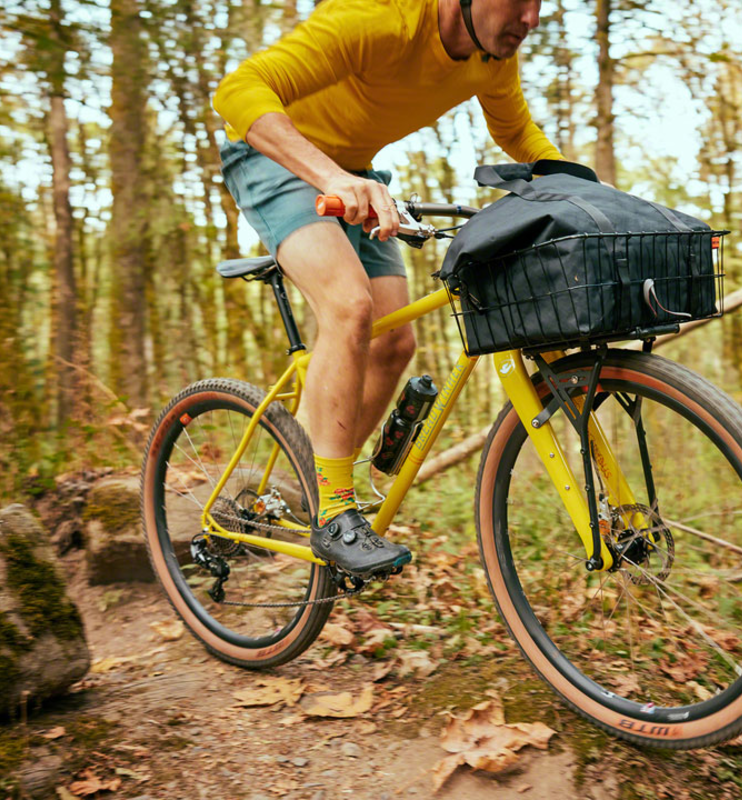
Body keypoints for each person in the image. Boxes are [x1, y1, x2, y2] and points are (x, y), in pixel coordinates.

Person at [212, 0, 563, 577]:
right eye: (518, 0)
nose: (530, 18)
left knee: (394, 344)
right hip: (274, 158)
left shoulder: (491, 53)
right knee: (350, 309)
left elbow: (518, 132)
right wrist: (329, 176)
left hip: (356, 172)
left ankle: (299, 484)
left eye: (539, 4)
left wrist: (584, 189)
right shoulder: (380, 18)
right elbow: (238, 90)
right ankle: (334, 512)